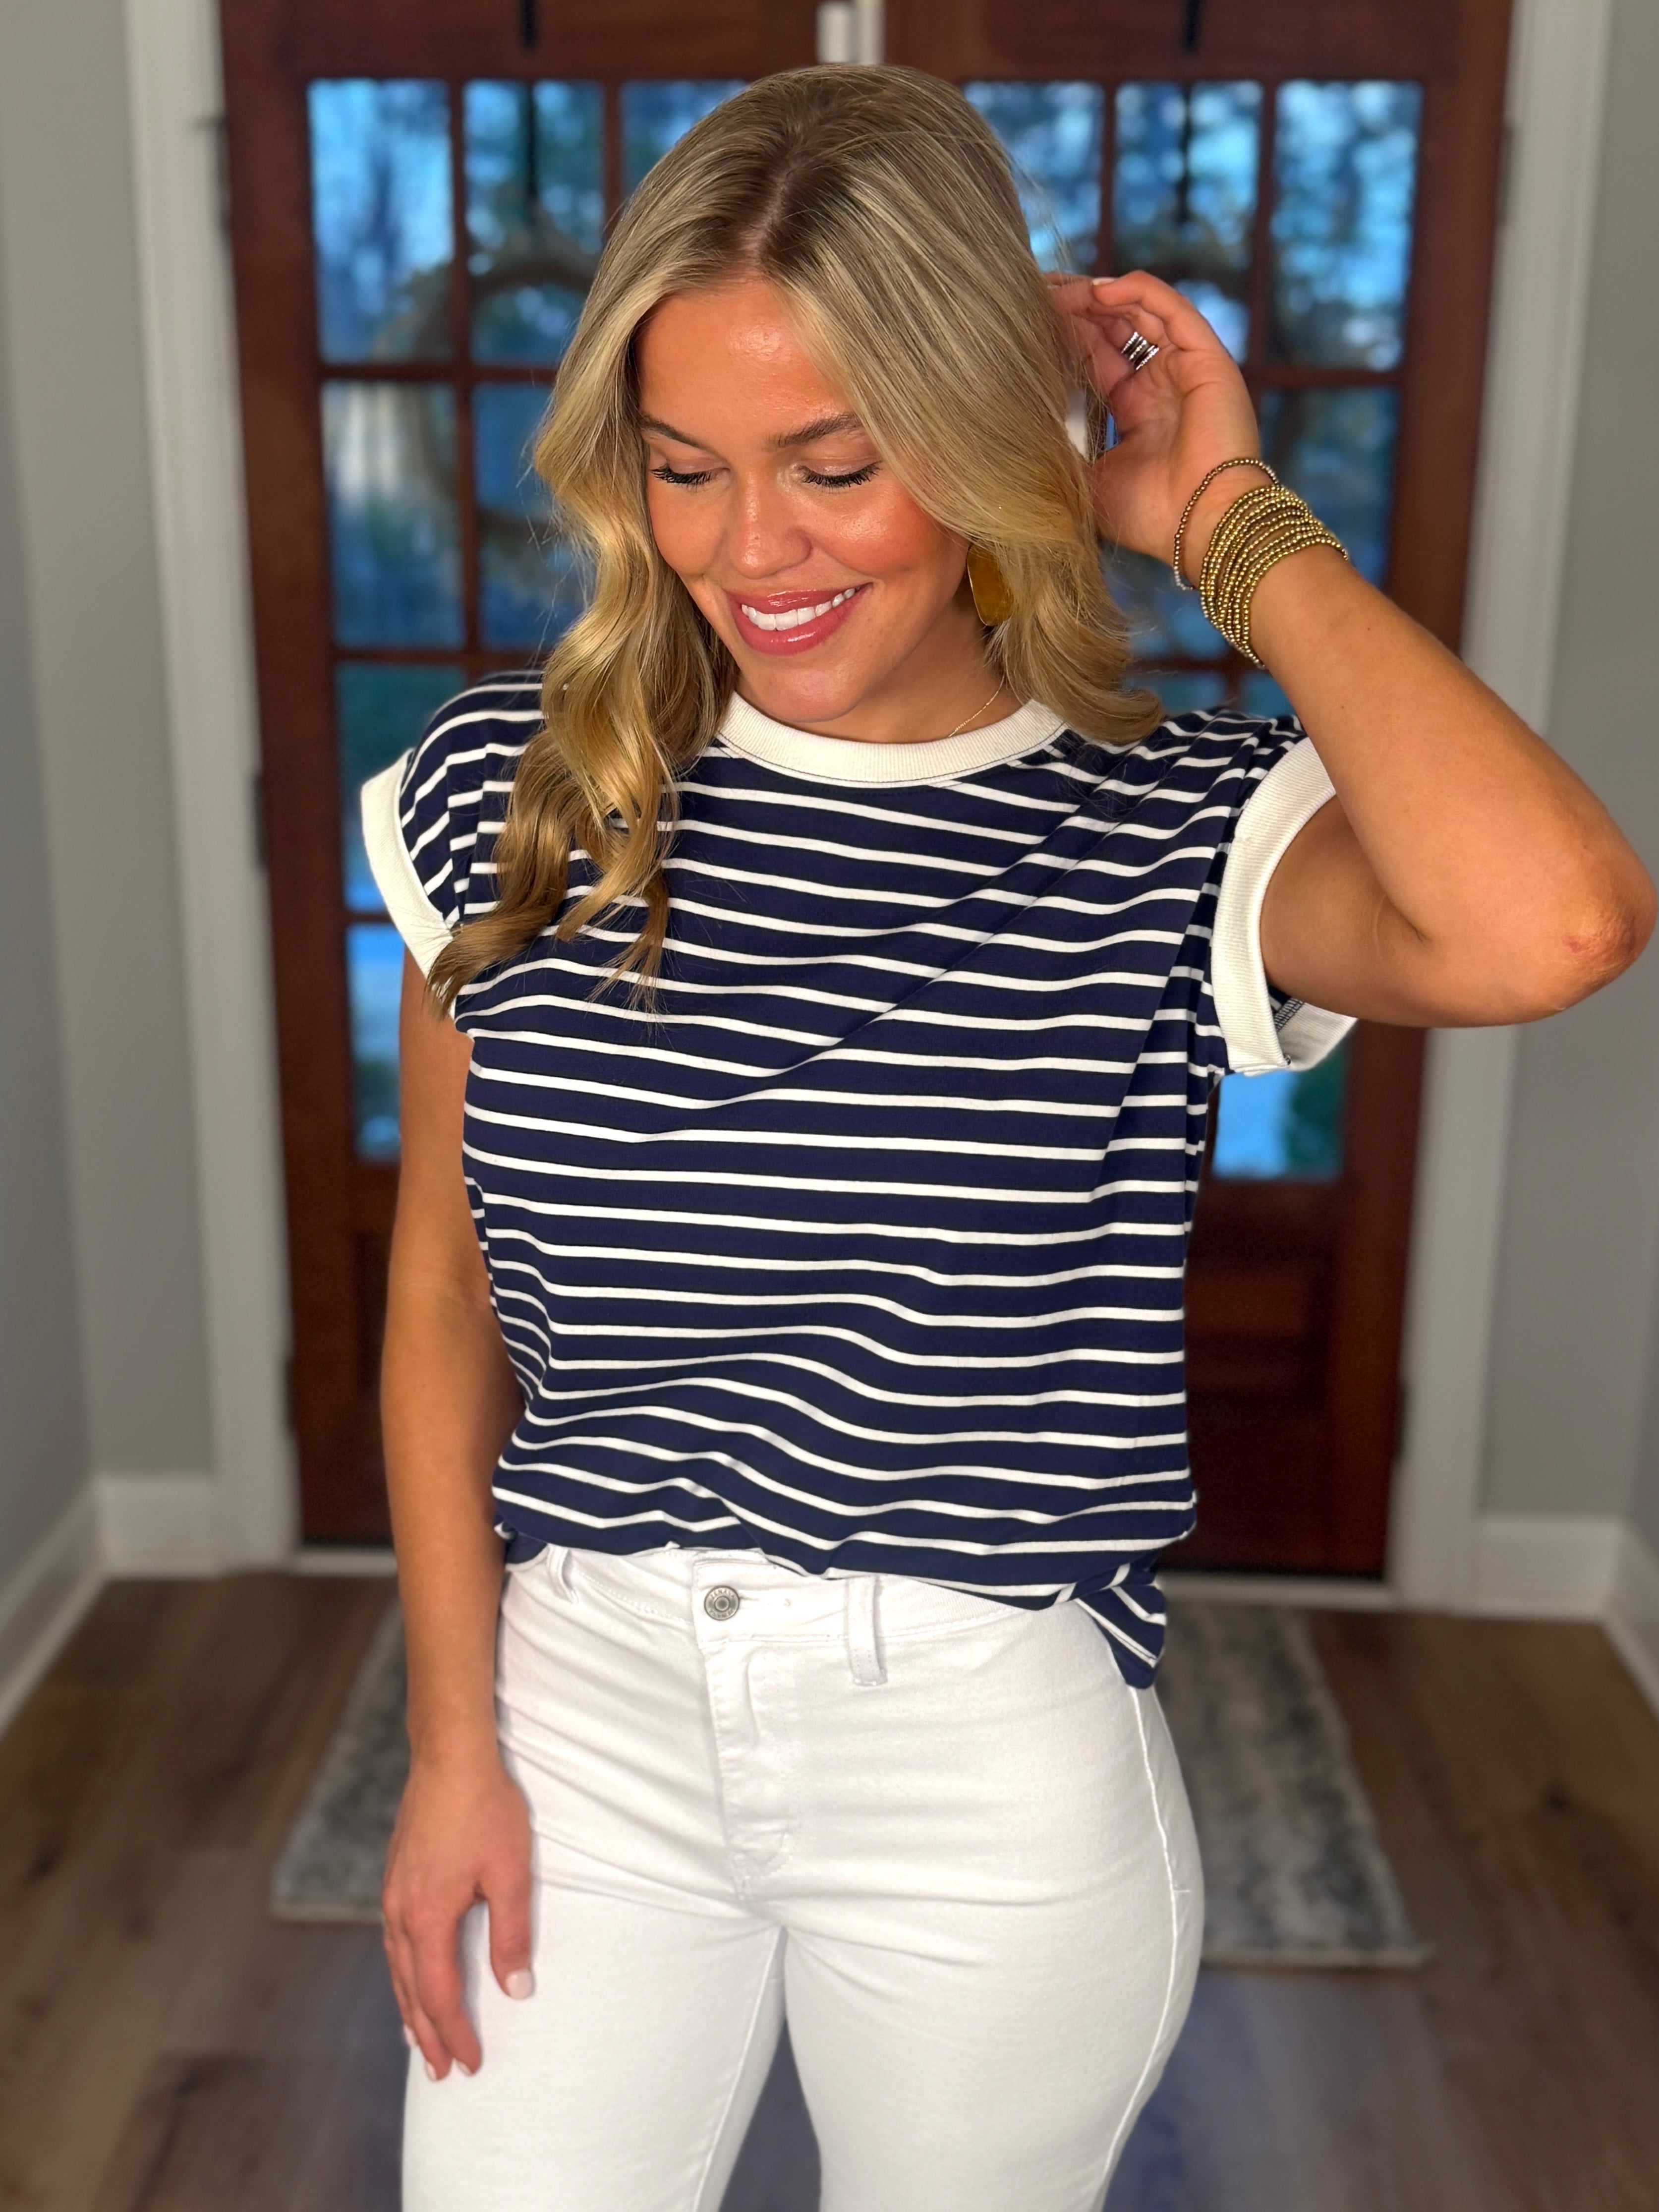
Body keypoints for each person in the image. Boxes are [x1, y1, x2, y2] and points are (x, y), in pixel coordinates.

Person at [363, 64, 1650, 2212]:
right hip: (581, 1707)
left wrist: (1226, 527)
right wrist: (446, 1743)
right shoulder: (520, 790)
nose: (751, 550)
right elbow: (443, 1291)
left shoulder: (1166, 833)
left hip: (981, 1760)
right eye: (686, 469)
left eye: (836, 464)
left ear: (979, 438)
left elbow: (1560, 923)